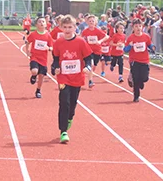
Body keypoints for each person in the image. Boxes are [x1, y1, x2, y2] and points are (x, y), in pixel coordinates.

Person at [52, 15, 93, 143]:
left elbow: (88, 57)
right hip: (63, 77)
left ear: (75, 28)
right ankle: (63, 131)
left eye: (70, 27)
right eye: (65, 27)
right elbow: (55, 60)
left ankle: (70, 118)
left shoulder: (81, 42)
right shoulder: (58, 43)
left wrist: (87, 66)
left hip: (77, 77)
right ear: (61, 28)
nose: (68, 29)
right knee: (64, 102)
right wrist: (55, 68)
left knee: (73, 103)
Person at [124, 18, 155, 102]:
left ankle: (141, 81)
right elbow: (125, 50)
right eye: (136, 26)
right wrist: (130, 46)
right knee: (136, 78)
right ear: (133, 28)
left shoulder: (146, 36)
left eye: (139, 26)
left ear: (142, 27)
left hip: (144, 60)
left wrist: (152, 47)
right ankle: (136, 96)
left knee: (145, 78)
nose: (138, 28)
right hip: (134, 61)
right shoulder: (130, 38)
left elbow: (149, 44)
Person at [25, 17, 54, 99]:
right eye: (39, 22)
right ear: (36, 24)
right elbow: (27, 42)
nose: (41, 23)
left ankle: (38, 90)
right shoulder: (33, 34)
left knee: (41, 76)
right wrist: (27, 51)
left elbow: (51, 47)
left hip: (43, 59)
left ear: (46, 24)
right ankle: (34, 76)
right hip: (34, 57)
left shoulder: (48, 35)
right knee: (34, 71)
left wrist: (48, 48)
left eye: (43, 22)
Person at [81, 15, 109, 88]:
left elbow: (106, 37)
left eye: (92, 21)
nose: (91, 22)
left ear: (95, 22)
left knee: (93, 66)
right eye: (89, 21)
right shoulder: (85, 31)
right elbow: (82, 39)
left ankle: (89, 75)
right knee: (91, 64)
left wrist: (100, 41)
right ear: (87, 22)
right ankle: (90, 81)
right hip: (88, 51)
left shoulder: (98, 31)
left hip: (97, 51)